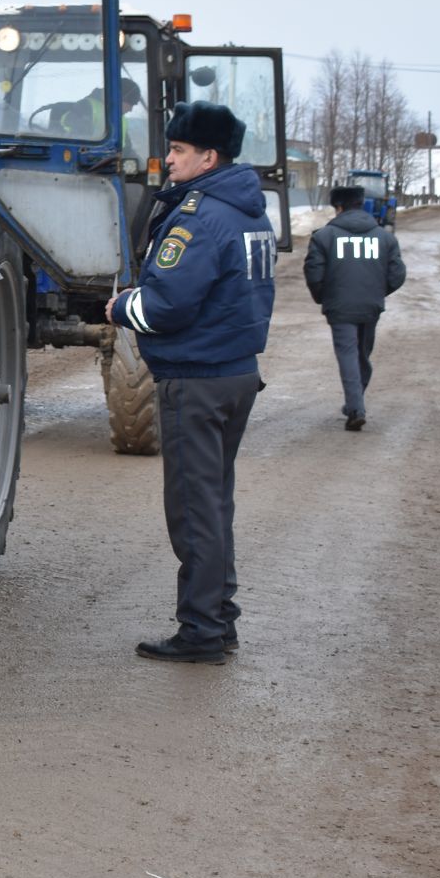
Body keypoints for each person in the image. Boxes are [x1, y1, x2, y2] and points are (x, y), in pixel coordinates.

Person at [106, 101, 276, 665]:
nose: (169, 160)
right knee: (213, 503)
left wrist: (121, 307)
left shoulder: (200, 218)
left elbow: (167, 306)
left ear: (209, 156)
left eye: (179, 151)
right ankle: (218, 618)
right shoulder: (247, 211)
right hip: (234, 375)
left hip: (197, 381)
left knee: (194, 511)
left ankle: (202, 629)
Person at [303, 185, 405, 431]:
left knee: (349, 354)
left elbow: (313, 272)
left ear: (338, 207)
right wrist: (378, 292)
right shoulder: (385, 237)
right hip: (371, 306)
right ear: (361, 204)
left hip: (339, 306)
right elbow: (397, 274)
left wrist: (323, 296)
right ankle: (354, 402)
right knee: (361, 354)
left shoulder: (323, 236)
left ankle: (356, 408)